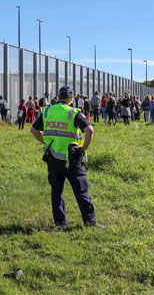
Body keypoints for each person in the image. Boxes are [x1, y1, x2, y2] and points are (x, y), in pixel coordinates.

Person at [30, 86, 98, 228]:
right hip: (71, 158)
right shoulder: (74, 113)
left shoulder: (47, 111)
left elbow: (34, 130)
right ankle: (90, 222)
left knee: (56, 191)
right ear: (71, 98)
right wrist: (84, 148)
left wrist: (46, 142)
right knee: (81, 191)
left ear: (58, 97)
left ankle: (60, 223)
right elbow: (90, 131)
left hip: (53, 158)